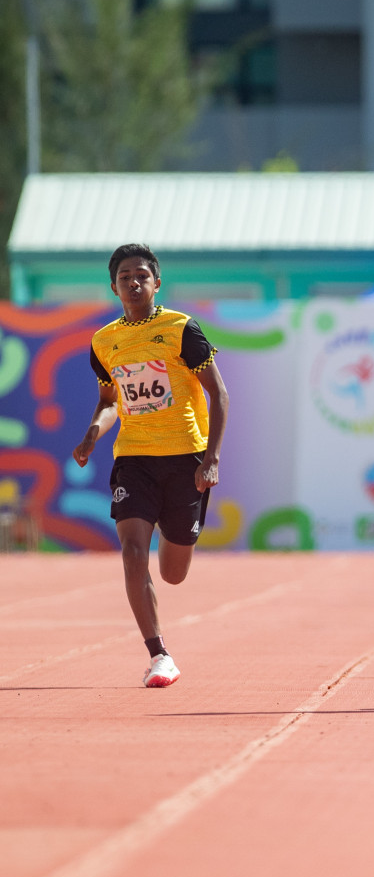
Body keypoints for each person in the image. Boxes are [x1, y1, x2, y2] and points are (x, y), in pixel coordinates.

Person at [72, 244, 228, 688]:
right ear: (114, 286)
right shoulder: (104, 341)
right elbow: (109, 402)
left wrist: (211, 458)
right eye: (125, 276)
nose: (133, 282)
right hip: (134, 459)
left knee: (173, 573)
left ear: (157, 283)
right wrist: (91, 433)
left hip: (186, 460)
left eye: (142, 275)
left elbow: (220, 394)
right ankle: (159, 655)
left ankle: (176, 534)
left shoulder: (181, 329)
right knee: (132, 551)